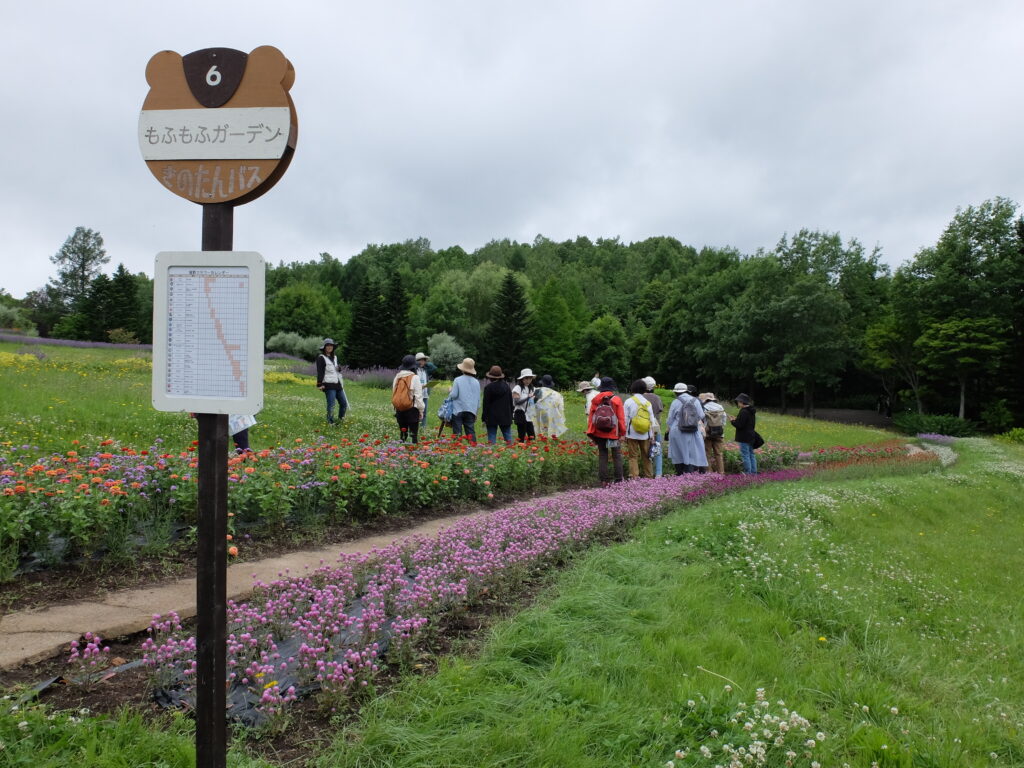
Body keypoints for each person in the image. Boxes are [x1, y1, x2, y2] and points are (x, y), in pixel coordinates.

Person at [586, 377, 626, 483]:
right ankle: (618, 480)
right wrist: (623, 433)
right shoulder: (616, 399)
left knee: (603, 455)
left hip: (599, 433)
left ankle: (604, 480)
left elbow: (591, 418)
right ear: (612, 387)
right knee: (616, 455)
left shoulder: (596, 399)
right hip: (613, 432)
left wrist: (591, 434)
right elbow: (621, 418)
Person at [666, 382, 708, 474]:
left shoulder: (675, 402)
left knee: (678, 453)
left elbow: (669, 419)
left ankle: (680, 474)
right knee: (691, 453)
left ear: (676, 392)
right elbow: (701, 415)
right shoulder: (695, 401)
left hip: (677, 430)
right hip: (693, 430)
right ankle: (689, 474)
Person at [623, 379, 656, 478]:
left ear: (633, 388)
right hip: (645, 433)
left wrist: (623, 433)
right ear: (644, 390)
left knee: (633, 456)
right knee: (647, 456)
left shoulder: (628, 401)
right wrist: (652, 435)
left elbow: (625, 418)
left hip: (631, 433)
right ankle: (649, 476)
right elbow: (651, 420)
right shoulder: (647, 403)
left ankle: (634, 477)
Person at [392, 354, 425, 443]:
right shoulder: (415, 377)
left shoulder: (398, 376)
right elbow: (418, 396)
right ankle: (413, 452)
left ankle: (401, 451)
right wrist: (421, 410)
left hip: (399, 408)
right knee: (414, 435)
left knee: (403, 434)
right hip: (412, 409)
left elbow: (394, 392)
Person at [315, 338, 348, 426]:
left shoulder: (335, 357)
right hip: (328, 385)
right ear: (324, 347)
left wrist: (339, 368)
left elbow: (336, 370)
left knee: (344, 403)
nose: (330, 347)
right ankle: (330, 422)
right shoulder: (321, 358)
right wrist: (319, 384)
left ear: (333, 347)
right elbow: (320, 371)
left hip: (337, 384)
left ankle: (341, 419)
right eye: (328, 346)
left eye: (331, 345)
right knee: (331, 404)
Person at [449, 357, 481, 441]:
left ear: (462, 369)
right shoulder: (476, 382)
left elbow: (454, 395)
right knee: (470, 432)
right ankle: (473, 449)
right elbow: (478, 399)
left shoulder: (457, 380)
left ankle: (458, 449)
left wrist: (450, 391)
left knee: (457, 432)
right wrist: (476, 413)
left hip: (458, 410)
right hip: (471, 410)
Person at [481, 365, 514, 444]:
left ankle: (491, 453)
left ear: (490, 377)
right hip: (505, 415)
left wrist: (484, 418)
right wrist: (511, 415)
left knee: (491, 436)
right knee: (508, 436)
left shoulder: (488, 388)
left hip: (492, 416)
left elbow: (486, 404)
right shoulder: (507, 387)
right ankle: (511, 453)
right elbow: (510, 402)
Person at [641, 376, 665, 477]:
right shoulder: (657, 398)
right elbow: (660, 410)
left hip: (643, 427)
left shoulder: (641, 397)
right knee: (657, 448)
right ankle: (658, 473)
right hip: (656, 427)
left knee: (646, 450)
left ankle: (648, 473)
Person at [730, 393, 758, 474]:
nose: (738, 404)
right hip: (751, 435)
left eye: (738, 402)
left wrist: (732, 421)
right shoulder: (751, 410)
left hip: (744, 436)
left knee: (745, 455)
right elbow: (746, 422)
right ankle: (754, 473)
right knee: (751, 455)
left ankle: (747, 473)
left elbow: (739, 425)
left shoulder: (743, 412)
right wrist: (737, 419)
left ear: (742, 402)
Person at [700, 392, 727, 473]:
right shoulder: (720, 407)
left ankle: (709, 472)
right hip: (719, 433)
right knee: (719, 454)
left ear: (706, 399)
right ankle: (721, 472)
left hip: (708, 434)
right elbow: (724, 421)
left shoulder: (703, 407)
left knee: (707, 453)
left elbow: (702, 420)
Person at [512, 369, 537, 442]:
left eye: (530, 378)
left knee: (532, 436)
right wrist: (528, 397)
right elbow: (516, 402)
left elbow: (532, 402)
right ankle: (520, 451)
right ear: (522, 379)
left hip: (529, 415)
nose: (528, 380)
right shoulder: (517, 388)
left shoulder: (532, 388)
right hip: (520, 413)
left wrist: (535, 398)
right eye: (526, 378)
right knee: (521, 436)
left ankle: (531, 452)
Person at [415, 352, 437, 427]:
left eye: (423, 360)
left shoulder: (425, 369)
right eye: (420, 360)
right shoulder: (414, 370)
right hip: (416, 394)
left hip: (425, 394)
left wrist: (426, 363)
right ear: (416, 361)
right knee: (416, 412)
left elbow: (434, 368)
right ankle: (415, 427)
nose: (422, 362)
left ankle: (423, 428)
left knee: (424, 413)